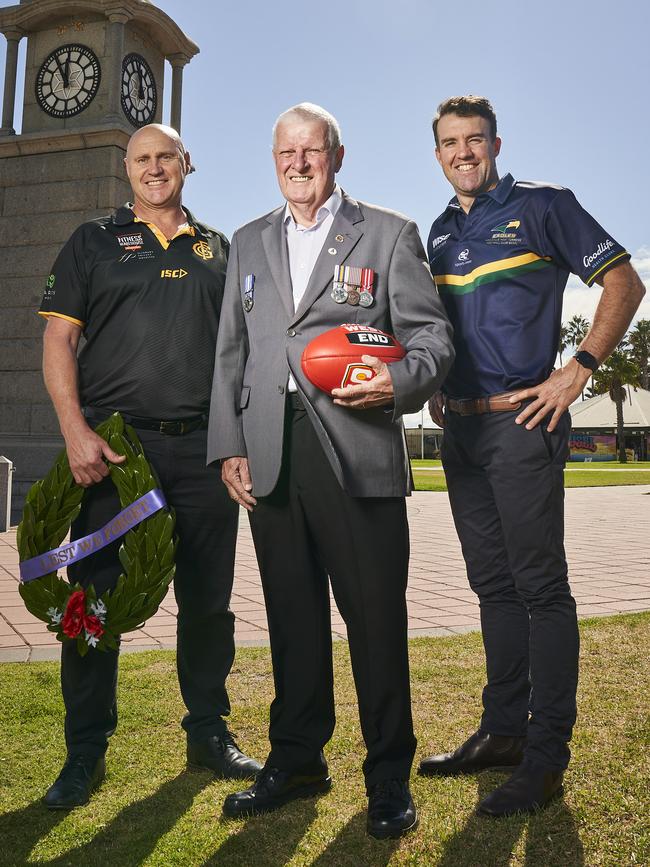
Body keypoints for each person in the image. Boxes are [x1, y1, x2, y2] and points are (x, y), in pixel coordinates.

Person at [207, 103, 454, 839]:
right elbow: (230, 353)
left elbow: (432, 338)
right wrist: (230, 443)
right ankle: (298, 758)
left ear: (337, 156)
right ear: (274, 159)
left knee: (376, 621)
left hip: (356, 450)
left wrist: (398, 383)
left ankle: (388, 778)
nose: (299, 163)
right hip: (272, 453)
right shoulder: (249, 242)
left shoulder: (388, 232)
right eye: (286, 152)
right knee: (292, 618)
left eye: (312, 150)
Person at [418, 95, 645, 816]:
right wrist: (433, 380)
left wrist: (578, 367)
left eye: (474, 139)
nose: (463, 151)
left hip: (524, 422)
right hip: (461, 430)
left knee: (541, 588)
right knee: (493, 587)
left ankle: (546, 756)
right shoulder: (440, 232)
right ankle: (502, 732)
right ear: (438, 153)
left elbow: (623, 281)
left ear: (495, 143)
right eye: (450, 142)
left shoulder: (545, 206)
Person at [39, 124, 261, 809]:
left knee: (207, 599)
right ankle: (84, 752)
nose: (155, 168)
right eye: (142, 159)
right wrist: (75, 431)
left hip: (203, 449)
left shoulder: (221, 249)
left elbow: (243, 357)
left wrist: (238, 441)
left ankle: (208, 732)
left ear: (187, 163)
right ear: (127, 168)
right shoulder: (92, 241)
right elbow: (58, 339)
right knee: (95, 594)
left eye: (167, 156)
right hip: (115, 450)